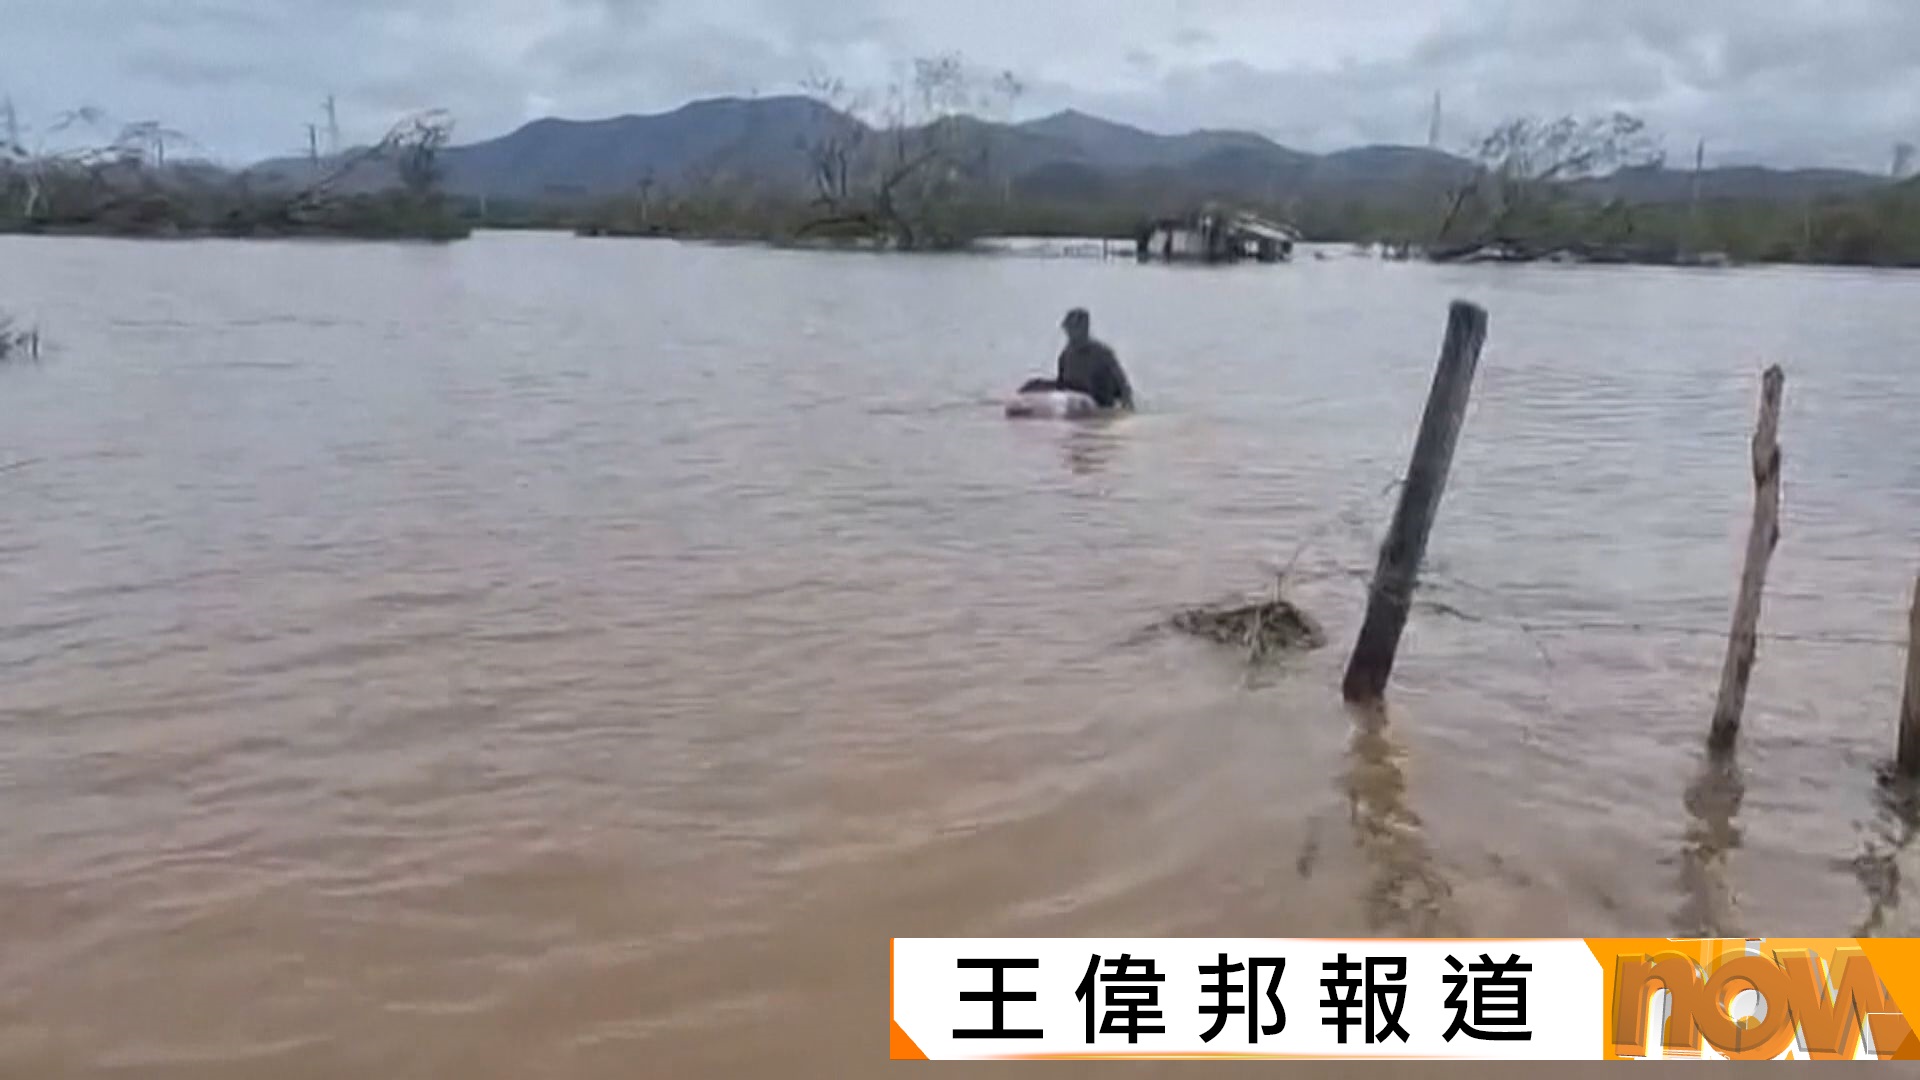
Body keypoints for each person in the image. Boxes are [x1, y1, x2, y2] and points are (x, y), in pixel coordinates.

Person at [1052, 307, 1133, 410]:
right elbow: (1060, 387)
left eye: (1074, 329)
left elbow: (1122, 384)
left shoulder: (1102, 354)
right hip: (1075, 411)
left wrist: (1127, 405)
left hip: (1102, 410)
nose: (1070, 334)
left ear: (1085, 329)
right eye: (1068, 329)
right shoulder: (1065, 357)